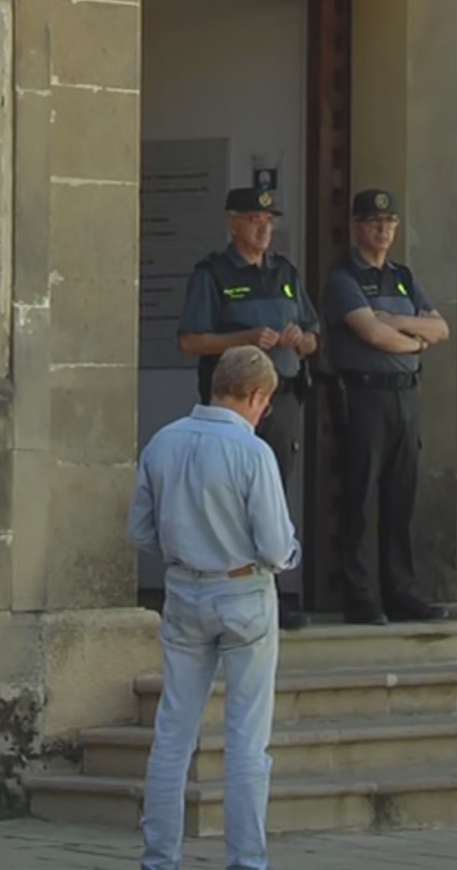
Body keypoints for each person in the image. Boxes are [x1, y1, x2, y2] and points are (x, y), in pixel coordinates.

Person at [127, 345, 300, 870]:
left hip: (183, 589)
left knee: (173, 732)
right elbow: (273, 545)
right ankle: (246, 860)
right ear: (256, 395)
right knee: (247, 739)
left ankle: (159, 858)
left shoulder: (163, 442)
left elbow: (139, 530)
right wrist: (289, 554)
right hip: (243, 589)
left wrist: (185, 554)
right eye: (264, 404)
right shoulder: (253, 452)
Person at [177, 187, 318, 631]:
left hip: (283, 398)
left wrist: (301, 341)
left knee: (273, 495)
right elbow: (190, 341)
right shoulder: (212, 274)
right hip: (233, 407)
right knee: (231, 496)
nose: (264, 227)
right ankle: (230, 590)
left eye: (269, 219)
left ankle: (270, 592)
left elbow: (315, 339)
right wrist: (243, 338)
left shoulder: (285, 272)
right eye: (254, 218)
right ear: (232, 223)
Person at [321, 189, 450, 625]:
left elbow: (441, 328)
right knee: (358, 497)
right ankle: (359, 595)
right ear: (357, 226)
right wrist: (413, 343)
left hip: (405, 396)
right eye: (374, 222)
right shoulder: (344, 278)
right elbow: (370, 335)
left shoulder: (403, 278)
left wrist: (394, 322)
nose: (382, 230)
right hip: (364, 395)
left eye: (389, 223)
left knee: (401, 497)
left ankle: (401, 591)